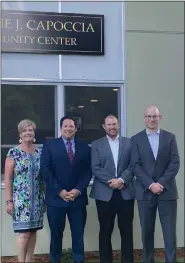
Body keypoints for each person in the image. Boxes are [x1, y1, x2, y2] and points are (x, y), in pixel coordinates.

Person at [131, 105, 180, 263]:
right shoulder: (136, 139)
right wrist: (151, 185)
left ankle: (171, 260)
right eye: (149, 116)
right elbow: (135, 165)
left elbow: (175, 163)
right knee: (147, 232)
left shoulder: (170, 137)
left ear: (160, 117)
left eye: (155, 116)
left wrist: (161, 183)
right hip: (145, 193)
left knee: (169, 232)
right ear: (144, 118)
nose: (152, 119)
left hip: (167, 192)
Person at [40, 116, 91, 263]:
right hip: (56, 199)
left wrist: (78, 190)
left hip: (78, 199)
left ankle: (78, 260)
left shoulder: (83, 146)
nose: (68, 129)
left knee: (78, 235)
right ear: (61, 128)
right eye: (65, 126)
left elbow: (87, 171)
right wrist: (59, 191)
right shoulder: (50, 145)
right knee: (56, 235)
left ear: (76, 128)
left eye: (71, 126)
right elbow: (45, 170)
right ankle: (55, 260)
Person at [90, 115, 135, 263]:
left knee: (127, 232)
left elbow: (133, 165)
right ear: (104, 127)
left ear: (118, 125)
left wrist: (121, 180)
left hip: (125, 192)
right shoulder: (96, 144)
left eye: (114, 124)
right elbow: (95, 168)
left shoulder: (129, 143)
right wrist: (112, 181)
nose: (112, 127)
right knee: (105, 231)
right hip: (104, 194)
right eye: (108, 125)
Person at [4, 119, 45, 263]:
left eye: (30, 130)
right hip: (20, 200)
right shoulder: (13, 153)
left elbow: (43, 177)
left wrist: (45, 198)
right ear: (20, 134)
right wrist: (9, 201)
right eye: (25, 130)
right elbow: (8, 179)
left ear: (34, 133)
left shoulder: (40, 152)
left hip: (37, 199)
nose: (28, 133)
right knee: (24, 233)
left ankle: (29, 260)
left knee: (33, 232)